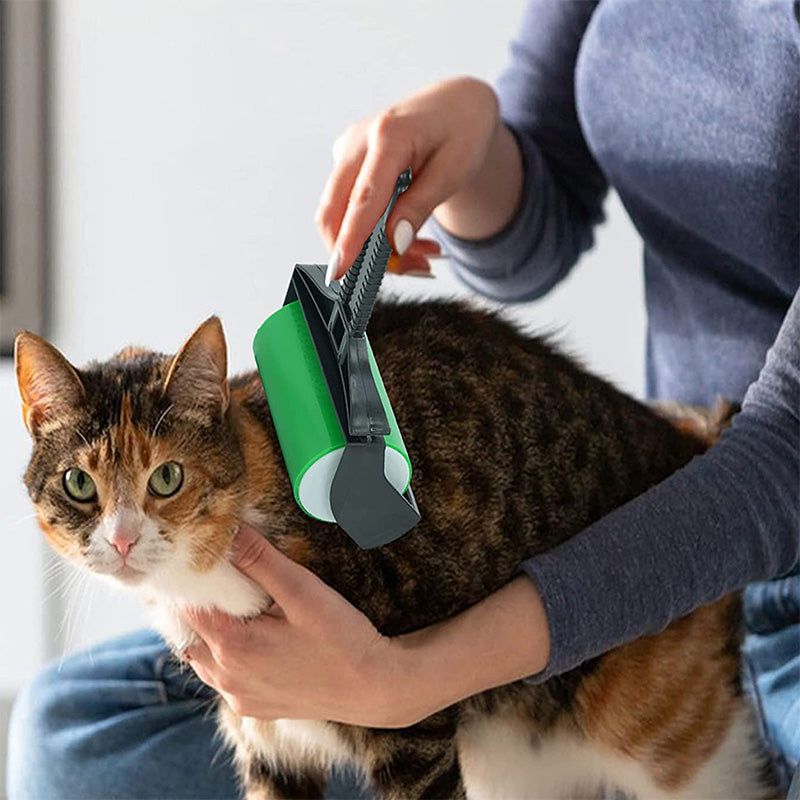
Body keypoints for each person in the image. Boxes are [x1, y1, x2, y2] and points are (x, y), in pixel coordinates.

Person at [7, 1, 799, 798]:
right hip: (643, 464)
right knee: (67, 736)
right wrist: (474, 142)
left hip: (723, 553)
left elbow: (782, 467)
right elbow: (538, 223)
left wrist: (408, 681)